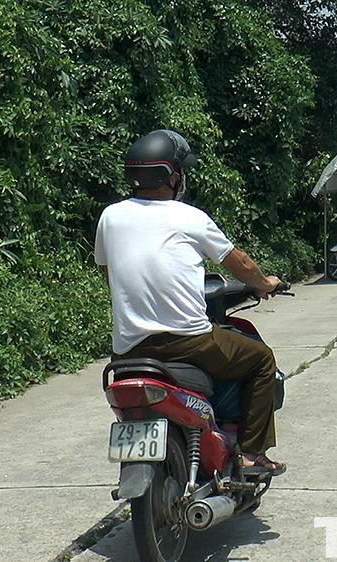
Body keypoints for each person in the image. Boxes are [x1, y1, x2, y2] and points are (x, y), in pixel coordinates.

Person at [94, 129, 286, 474]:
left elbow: (112, 276)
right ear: (173, 176)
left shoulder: (110, 217)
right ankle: (251, 453)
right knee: (261, 360)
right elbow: (238, 262)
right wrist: (263, 283)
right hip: (188, 342)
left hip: (128, 350)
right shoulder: (189, 217)